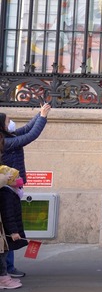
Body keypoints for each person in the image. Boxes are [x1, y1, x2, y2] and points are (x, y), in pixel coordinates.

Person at [0, 103, 51, 278]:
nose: (11, 123)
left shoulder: (8, 136)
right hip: (6, 188)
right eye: (8, 121)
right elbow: (30, 136)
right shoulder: (5, 142)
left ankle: (8, 267)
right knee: (9, 229)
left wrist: (40, 113)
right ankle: (6, 269)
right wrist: (43, 117)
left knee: (11, 227)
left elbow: (27, 128)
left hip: (13, 186)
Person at [0, 167, 24, 289]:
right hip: (5, 231)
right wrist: (14, 231)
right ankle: (3, 278)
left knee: (4, 252)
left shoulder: (11, 192)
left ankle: (4, 276)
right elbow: (8, 214)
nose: (21, 179)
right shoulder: (6, 194)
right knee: (2, 253)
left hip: (5, 231)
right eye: (17, 178)